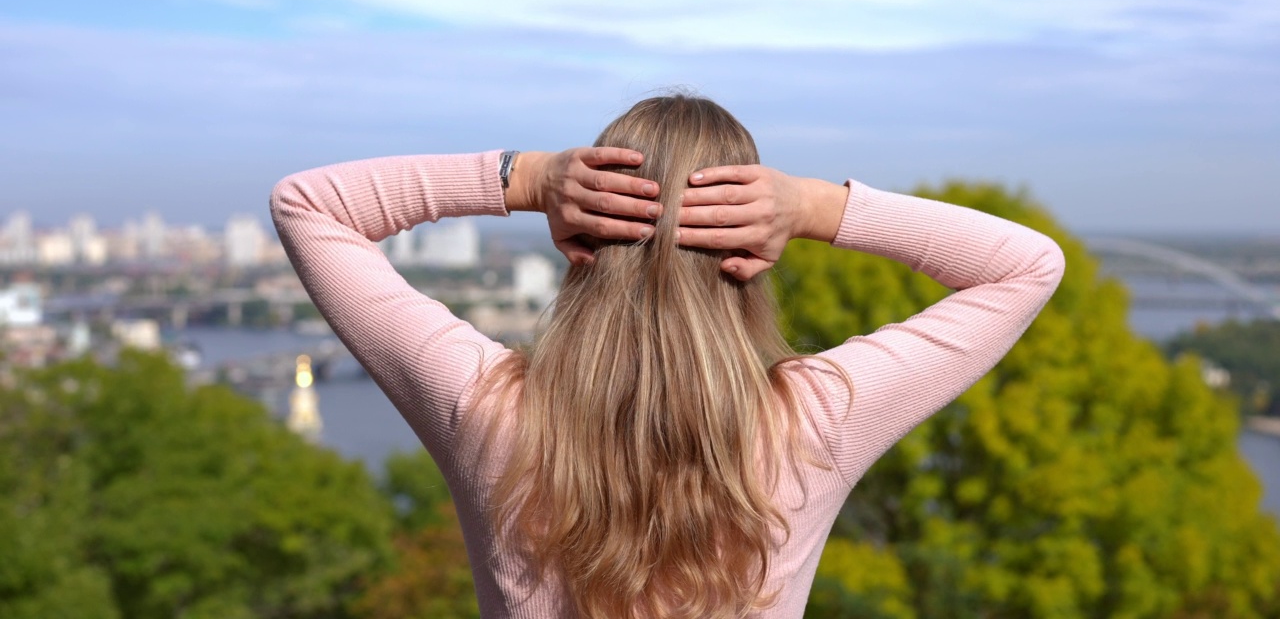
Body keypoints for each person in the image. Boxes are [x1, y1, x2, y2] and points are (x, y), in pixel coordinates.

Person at [270, 95, 1065, 618]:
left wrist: (529, 178)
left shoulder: (488, 409)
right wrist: (819, 207)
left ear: (590, 238)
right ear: (750, 249)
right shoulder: (816, 420)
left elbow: (310, 205)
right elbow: (1027, 265)